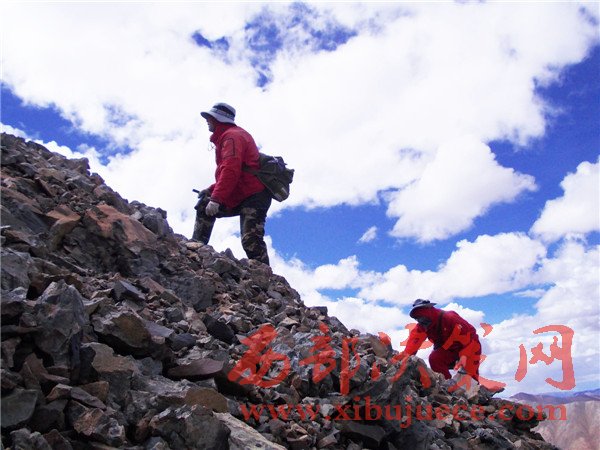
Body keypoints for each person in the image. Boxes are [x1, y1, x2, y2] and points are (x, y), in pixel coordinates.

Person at [193, 102, 271, 265]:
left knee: (251, 240)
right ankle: (196, 250)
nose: (207, 120)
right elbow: (235, 172)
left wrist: (216, 198)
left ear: (218, 119)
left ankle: (265, 276)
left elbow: (231, 169)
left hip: (254, 195)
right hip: (243, 192)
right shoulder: (230, 135)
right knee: (205, 204)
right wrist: (211, 190)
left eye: (209, 117)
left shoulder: (231, 137)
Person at [398, 299, 481, 381]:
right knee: (435, 359)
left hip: (470, 347)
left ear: (428, 312)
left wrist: (464, 356)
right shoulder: (422, 326)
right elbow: (413, 343)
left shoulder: (450, 318)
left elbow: (470, 338)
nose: (421, 321)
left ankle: (474, 387)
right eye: (418, 318)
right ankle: (446, 384)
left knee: (470, 378)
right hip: (449, 350)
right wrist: (404, 359)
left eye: (422, 317)